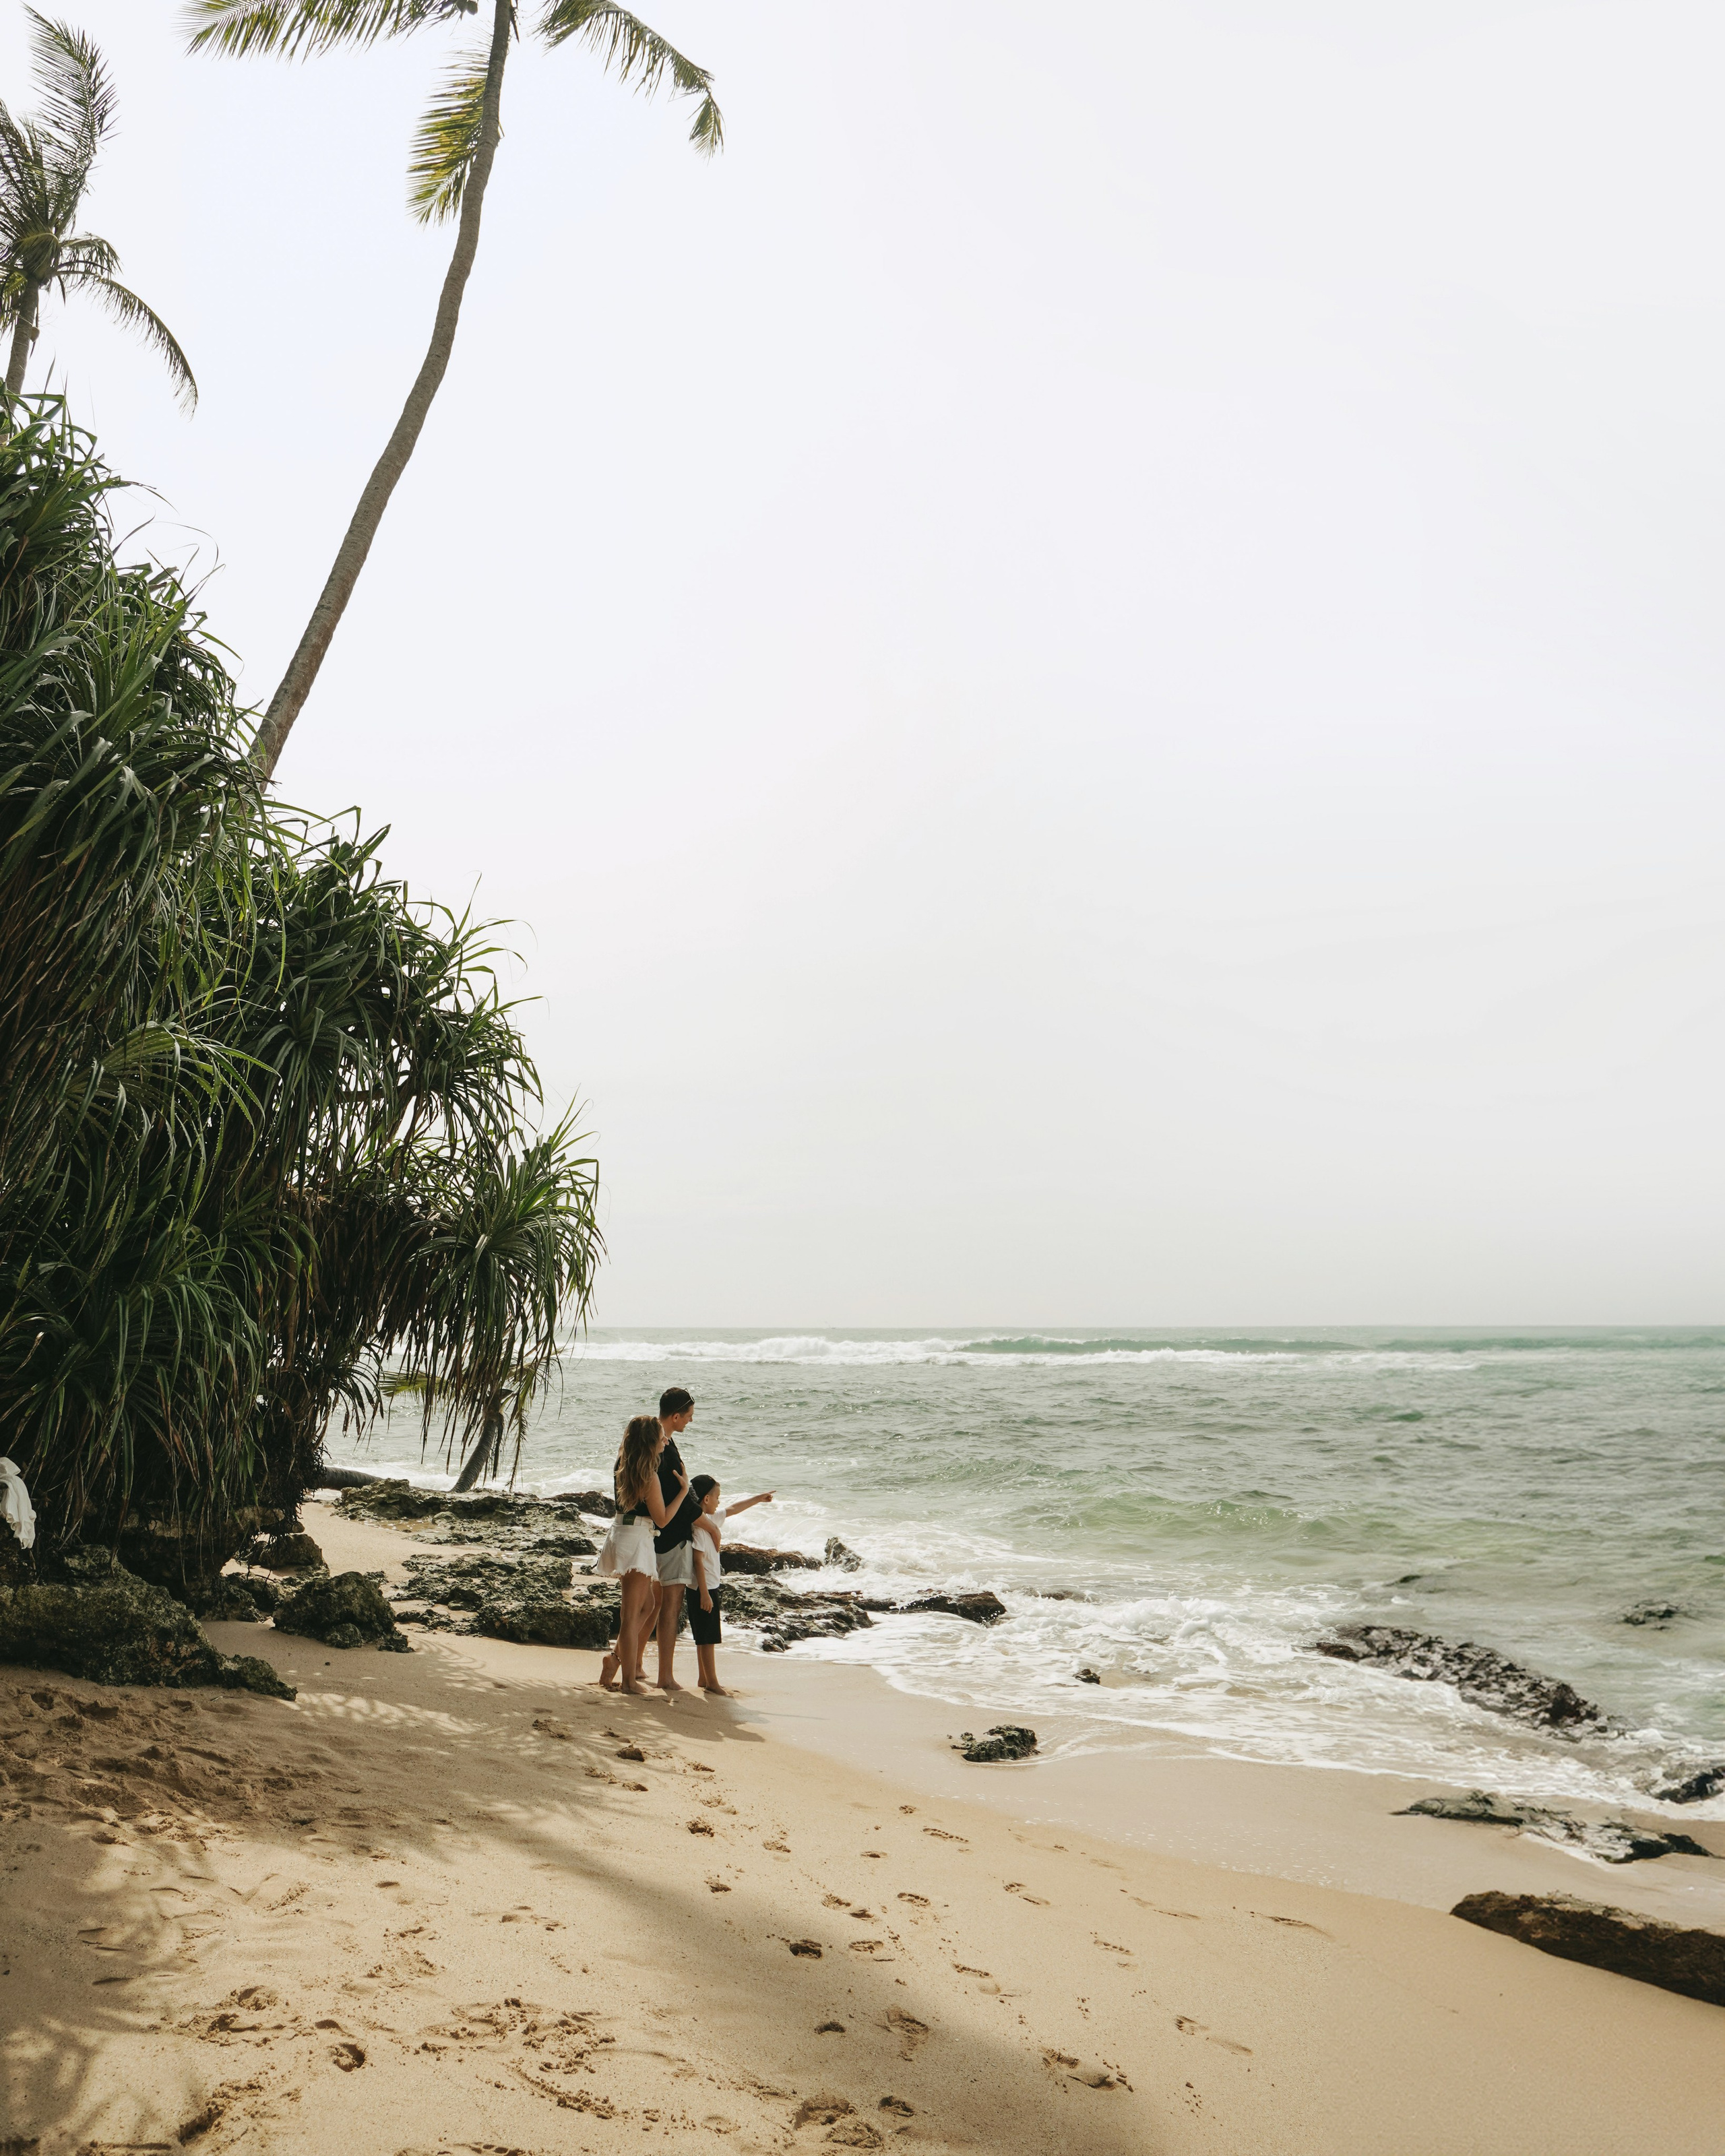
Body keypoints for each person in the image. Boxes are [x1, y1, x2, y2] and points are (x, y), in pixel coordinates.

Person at [595, 1414, 688, 1696]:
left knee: (646, 1606)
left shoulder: (622, 1465)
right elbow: (662, 1519)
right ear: (651, 1441)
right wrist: (683, 1491)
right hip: (637, 1538)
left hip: (623, 1532)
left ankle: (614, 1660)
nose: (665, 1441)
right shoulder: (649, 1477)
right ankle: (628, 1682)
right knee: (632, 1612)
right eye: (661, 1437)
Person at [687, 1474, 774, 1696]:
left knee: (704, 1636)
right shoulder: (698, 1528)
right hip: (701, 1589)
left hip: (709, 1586)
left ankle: (703, 1677)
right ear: (706, 1499)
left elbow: (735, 1508)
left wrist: (758, 1498)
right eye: (717, 1497)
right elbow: (697, 1562)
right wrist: (705, 1594)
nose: (719, 1501)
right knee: (707, 1638)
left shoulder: (712, 1518)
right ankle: (712, 1682)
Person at [651, 1386, 701, 1692]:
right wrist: (709, 1528)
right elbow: (679, 1497)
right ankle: (665, 1677)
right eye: (689, 1416)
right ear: (676, 1415)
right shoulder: (665, 1448)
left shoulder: (650, 1442)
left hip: (652, 1536)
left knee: (649, 1607)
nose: (690, 1422)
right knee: (669, 1607)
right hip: (672, 1537)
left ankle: (629, 1662)